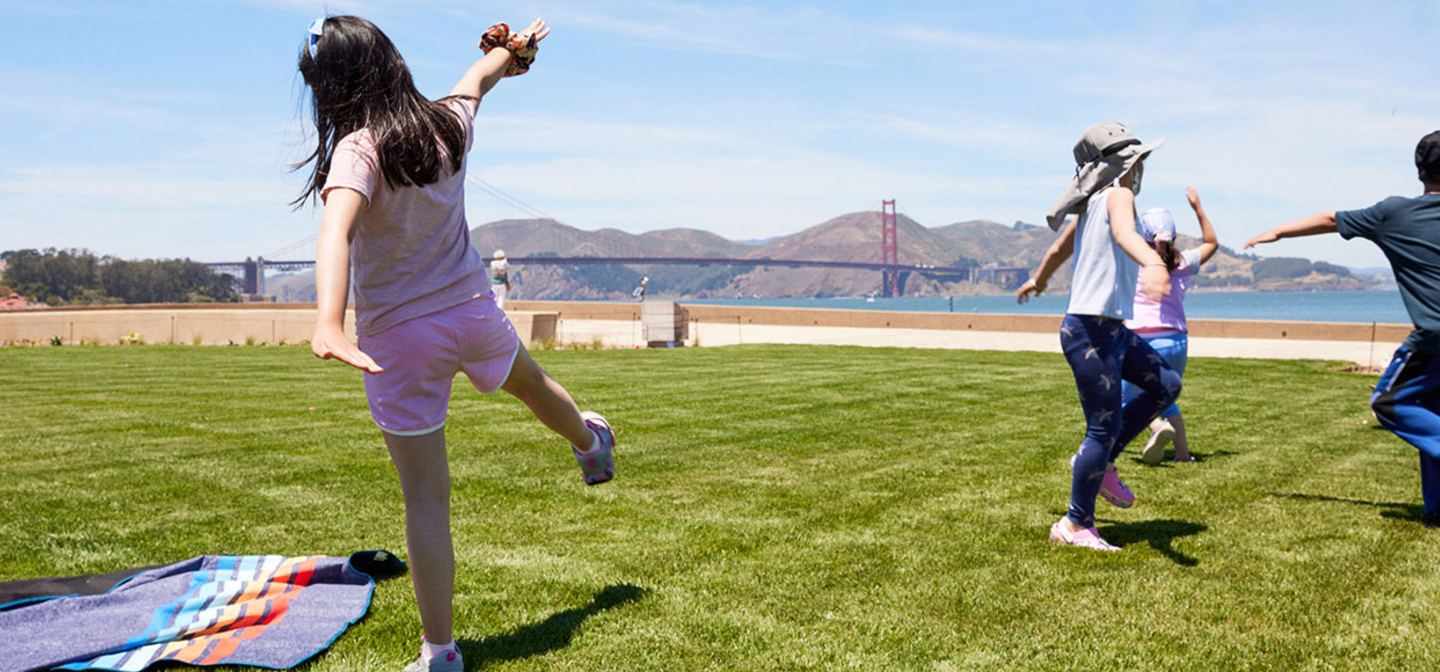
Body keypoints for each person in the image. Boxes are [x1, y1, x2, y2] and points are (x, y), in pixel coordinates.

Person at [295, 16, 615, 672]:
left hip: (397, 340)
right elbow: (482, 77)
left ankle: (440, 653)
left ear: (335, 86)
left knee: (426, 500)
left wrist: (329, 321)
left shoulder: (357, 150)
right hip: (471, 312)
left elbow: (334, 233)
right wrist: (512, 52)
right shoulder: (446, 123)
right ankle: (590, 444)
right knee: (532, 387)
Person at [1245, 130, 1440, 528]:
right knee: (1429, 411)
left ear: (1419, 170)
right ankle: (1437, 507)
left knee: (1389, 403)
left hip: (1433, 339)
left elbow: (1331, 219)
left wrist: (1278, 231)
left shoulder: (1395, 213)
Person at [1017, 122, 1182, 552]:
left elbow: (1056, 251)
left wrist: (1038, 281)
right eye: (1140, 160)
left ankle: (1105, 465)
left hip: (1110, 330)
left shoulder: (1091, 205)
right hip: (1092, 331)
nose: (1142, 168)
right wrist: (1155, 264)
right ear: (1127, 164)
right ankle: (1075, 525)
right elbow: (1128, 235)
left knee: (1166, 385)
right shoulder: (1119, 196)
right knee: (1100, 429)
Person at [1122, 188, 1220, 464]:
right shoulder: (1183, 262)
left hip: (1142, 338)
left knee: (1127, 395)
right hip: (1178, 341)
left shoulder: (1134, 261)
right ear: (1174, 236)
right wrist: (1198, 209)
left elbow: (1121, 235)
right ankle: (1183, 455)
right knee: (1165, 396)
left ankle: (1156, 427)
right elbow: (1212, 243)